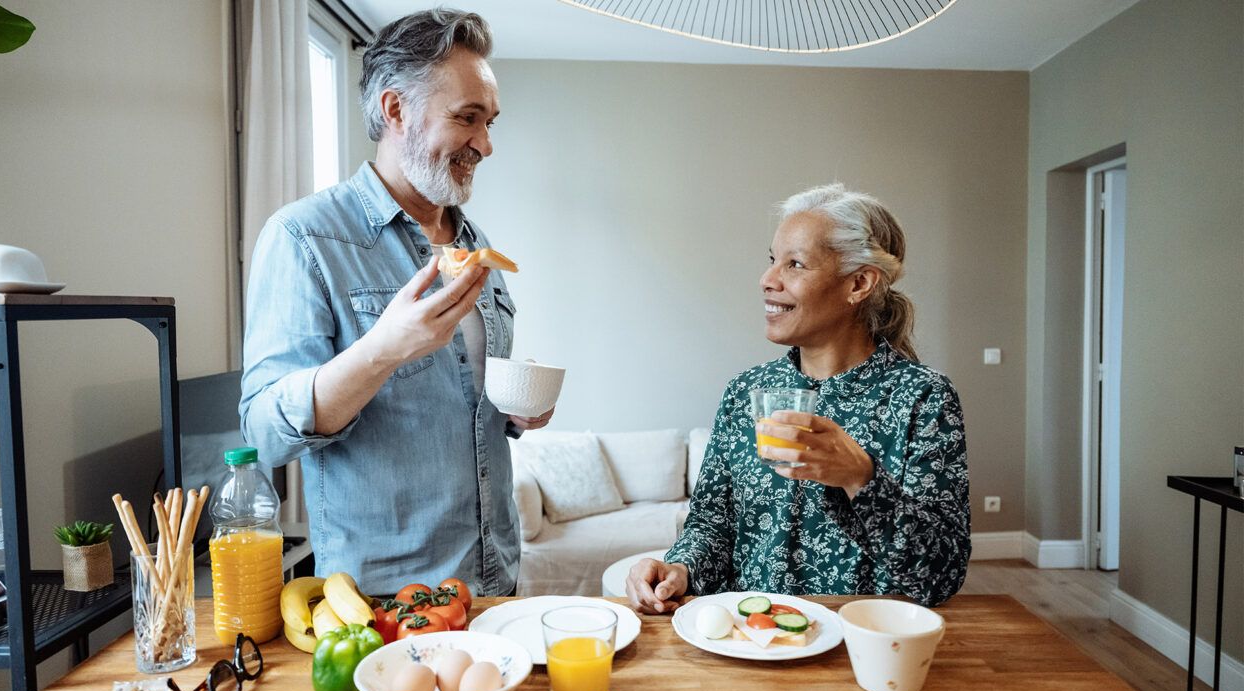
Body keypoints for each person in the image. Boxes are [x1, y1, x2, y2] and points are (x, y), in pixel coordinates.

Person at [240, 9, 551, 597]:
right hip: (381, 598)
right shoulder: (304, 238)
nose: (485, 144)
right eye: (467, 118)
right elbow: (263, 434)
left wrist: (511, 408)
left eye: (490, 122)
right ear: (394, 110)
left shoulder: (473, 242)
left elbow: (458, 400)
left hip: (493, 580)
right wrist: (382, 351)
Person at [626, 183, 970, 612]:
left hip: (862, 652)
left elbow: (941, 575)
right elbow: (712, 526)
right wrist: (681, 568)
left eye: (795, 264)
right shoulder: (744, 393)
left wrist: (861, 480)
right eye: (773, 261)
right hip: (750, 641)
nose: (768, 280)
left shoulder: (924, 398)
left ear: (859, 283)